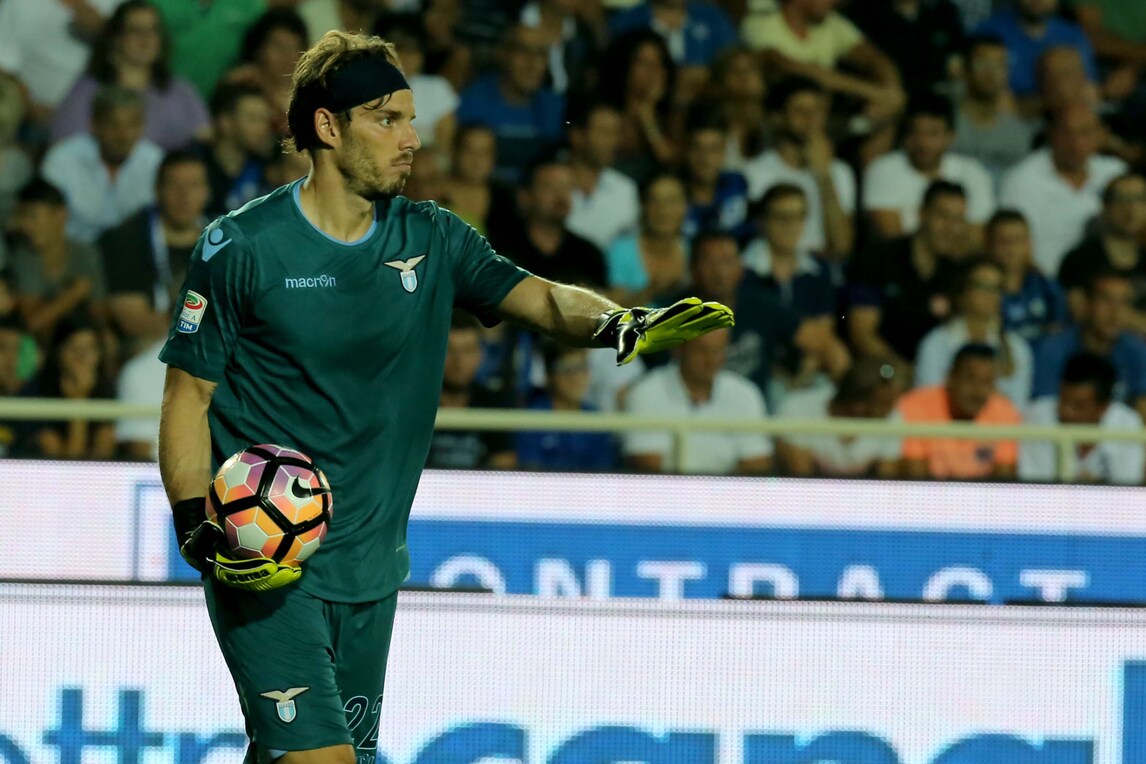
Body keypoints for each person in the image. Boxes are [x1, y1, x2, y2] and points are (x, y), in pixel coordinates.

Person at [157, 30, 732, 764]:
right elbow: (187, 396)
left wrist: (621, 323)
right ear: (327, 127)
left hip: (372, 568)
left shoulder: (433, 238)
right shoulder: (242, 246)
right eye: (387, 120)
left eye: (411, 120)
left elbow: (544, 300)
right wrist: (193, 522)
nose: (412, 140)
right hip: (269, 560)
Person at [740, 0, 905, 160]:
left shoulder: (833, 24)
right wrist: (875, 93)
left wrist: (892, 92)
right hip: (777, 123)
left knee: (890, 113)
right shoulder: (762, 24)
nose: (836, 2)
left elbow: (877, 61)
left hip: (825, 119)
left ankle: (873, 172)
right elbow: (795, 70)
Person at [51, 0, 211, 151]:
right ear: (115, 38)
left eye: (152, 30)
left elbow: (205, 140)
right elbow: (63, 145)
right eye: (135, 31)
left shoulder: (180, 91)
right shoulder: (89, 91)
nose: (145, 39)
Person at [846, 180, 970, 372]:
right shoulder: (878, 259)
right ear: (922, 213)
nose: (951, 228)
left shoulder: (957, 274)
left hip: (933, 377)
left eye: (958, 220)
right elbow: (862, 336)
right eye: (943, 216)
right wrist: (901, 372)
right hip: (881, 372)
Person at [99, 150, 210, 358]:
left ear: (207, 192)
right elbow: (133, 321)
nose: (184, 197)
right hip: (152, 351)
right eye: (174, 185)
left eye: (194, 185)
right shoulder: (127, 239)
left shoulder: (225, 241)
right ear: (158, 190)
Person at [998, 102, 1126, 282]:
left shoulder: (1116, 173)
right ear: (1050, 134)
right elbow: (1009, 241)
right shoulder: (1022, 180)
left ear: (1100, 134)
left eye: (1085, 132)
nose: (1076, 142)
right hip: (1044, 282)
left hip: (1110, 286)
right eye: (1067, 133)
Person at [622, 328, 772, 474]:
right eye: (702, 351)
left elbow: (758, 463)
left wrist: (716, 489)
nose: (712, 360)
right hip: (668, 491)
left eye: (718, 350)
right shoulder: (646, 392)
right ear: (678, 349)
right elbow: (649, 467)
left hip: (727, 491)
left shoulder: (746, 393)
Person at [743, 75, 856, 260]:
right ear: (778, 118)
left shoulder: (840, 172)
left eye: (817, 110)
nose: (811, 119)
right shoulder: (754, 172)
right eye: (800, 111)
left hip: (822, 268)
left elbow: (842, 245)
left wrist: (824, 177)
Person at [862, 93, 995, 248]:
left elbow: (978, 239)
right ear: (905, 135)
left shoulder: (973, 172)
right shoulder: (882, 170)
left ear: (950, 137)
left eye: (933, 134)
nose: (924, 143)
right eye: (916, 133)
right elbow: (890, 235)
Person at [41, 85, 164, 244]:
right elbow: (47, 220)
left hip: (136, 251)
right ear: (94, 125)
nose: (123, 135)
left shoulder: (156, 161)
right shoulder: (62, 159)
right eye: (113, 124)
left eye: (132, 125)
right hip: (75, 248)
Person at [914, 257, 1034, 407]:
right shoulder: (936, 343)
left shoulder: (1017, 348)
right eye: (982, 286)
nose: (990, 295)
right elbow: (927, 399)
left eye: (996, 288)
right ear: (963, 291)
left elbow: (1017, 409)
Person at [455, 23, 565, 186]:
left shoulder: (554, 106)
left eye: (540, 54)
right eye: (523, 51)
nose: (532, 64)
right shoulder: (472, 102)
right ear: (502, 54)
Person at [896, 343, 1023, 480]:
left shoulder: (1005, 412)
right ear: (950, 377)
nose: (978, 391)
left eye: (987, 382)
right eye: (970, 379)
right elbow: (917, 483)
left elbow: (1004, 483)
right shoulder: (914, 406)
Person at [1032, 271, 1146, 418]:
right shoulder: (1053, 349)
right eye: (1106, 300)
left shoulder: (1137, 351)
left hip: (1118, 430)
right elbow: (1044, 409)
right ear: (1087, 304)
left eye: (1123, 303)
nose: (1115, 312)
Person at [1019, 351, 1145, 485]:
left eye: (1078, 406)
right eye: (1063, 400)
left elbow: (1128, 487)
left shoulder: (1128, 424)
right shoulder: (1038, 417)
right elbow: (1034, 486)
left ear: (1103, 408)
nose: (1066, 412)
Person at [9, 178, 108, 344]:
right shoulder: (24, 256)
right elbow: (32, 323)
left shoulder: (85, 254)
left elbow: (99, 311)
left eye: (33, 216)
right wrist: (75, 293)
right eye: (23, 217)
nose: (26, 225)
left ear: (60, 215)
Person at [491, 155, 608, 290]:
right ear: (524, 196)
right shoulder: (500, 252)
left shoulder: (588, 255)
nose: (561, 196)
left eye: (566, 187)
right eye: (549, 187)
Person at [775, 355, 902, 478]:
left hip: (862, 492)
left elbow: (886, 483)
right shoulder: (798, 408)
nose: (888, 411)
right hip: (810, 491)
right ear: (857, 405)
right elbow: (801, 482)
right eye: (882, 404)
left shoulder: (892, 417)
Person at [0, 0, 124, 120]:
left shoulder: (117, 4)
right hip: (32, 116)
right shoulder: (20, 3)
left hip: (108, 113)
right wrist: (29, 107)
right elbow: (4, 66)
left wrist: (104, 29)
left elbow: (132, 57)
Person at [425, 312, 517, 470]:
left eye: (467, 350)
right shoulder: (416, 404)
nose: (458, 361)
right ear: (434, 354)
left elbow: (505, 464)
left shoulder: (494, 404)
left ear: (480, 355)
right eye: (449, 350)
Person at [18, 317, 117, 460]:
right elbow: (68, 465)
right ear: (58, 352)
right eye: (73, 348)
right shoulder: (36, 393)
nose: (82, 357)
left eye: (90, 348)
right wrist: (78, 401)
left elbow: (102, 459)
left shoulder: (107, 389)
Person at [1058, 172, 1146, 330]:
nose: (1131, 209)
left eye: (1139, 199)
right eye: (1123, 200)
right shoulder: (1079, 260)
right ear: (1105, 206)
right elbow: (1080, 314)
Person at [515, 342, 619, 471]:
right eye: (566, 369)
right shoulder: (532, 420)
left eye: (581, 368)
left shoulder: (596, 420)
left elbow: (602, 473)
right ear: (549, 376)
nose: (576, 377)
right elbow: (531, 472)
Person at [608, 0, 737, 103]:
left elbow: (735, 65)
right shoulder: (626, 22)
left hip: (704, 108)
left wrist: (706, 76)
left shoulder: (714, 19)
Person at [951, 35, 1037, 186]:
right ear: (965, 69)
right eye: (981, 63)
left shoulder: (1020, 129)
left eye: (1000, 65)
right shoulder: (944, 122)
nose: (991, 72)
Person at [974, 0, 1099, 104]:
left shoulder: (1073, 36)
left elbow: (1090, 89)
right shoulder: (989, 32)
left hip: (1061, 116)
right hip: (1008, 118)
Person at [598, 29, 680, 180]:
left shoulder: (672, 116)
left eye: (660, 63)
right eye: (644, 63)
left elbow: (668, 159)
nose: (654, 71)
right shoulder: (605, 112)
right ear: (625, 67)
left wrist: (647, 116)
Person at [564, 95, 641, 254]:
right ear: (577, 136)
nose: (614, 141)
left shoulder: (626, 189)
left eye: (616, 133)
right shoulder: (550, 186)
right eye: (605, 132)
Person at [604, 171, 690, 307]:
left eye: (672, 201)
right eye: (655, 201)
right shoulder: (621, 251)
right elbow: (613, 308)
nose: (664, 211)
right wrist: (651, 291)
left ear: (686, 206)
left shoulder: (695, 250)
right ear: (643, 206)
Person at [150, 0, 266, 100]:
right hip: (163, 98)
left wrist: (252, 68)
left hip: (224, 106)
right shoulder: (157, 4)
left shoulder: (251, 6)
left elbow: (266, 47)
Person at [193, 82, 275, 219]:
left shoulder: (266, 168)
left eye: (265, 119)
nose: (263, 128)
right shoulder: (194, 165)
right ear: (225, 122)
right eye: (253, 119)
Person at [984, 209, 1066, 344]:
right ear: (988, 245)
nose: (1011, 247)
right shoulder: (981, 291)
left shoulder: (1047, 287)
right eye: (1003, 241)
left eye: (1017, 240)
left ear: (1029, 244)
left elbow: (1060, 332)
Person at [680, 110, 753, 242]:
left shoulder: (737, 184)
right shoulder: (673, 194)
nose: (705, 158)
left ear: (724, 151)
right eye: (698, 148)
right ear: (686, 150)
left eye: (714, 149)